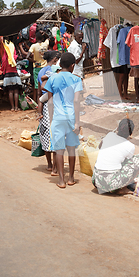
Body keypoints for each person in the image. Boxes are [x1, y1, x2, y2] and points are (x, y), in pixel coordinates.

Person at [44, 52, 83, 188]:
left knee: (59, 150)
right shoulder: (77, 80)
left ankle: (61, 180)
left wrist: (50, 120)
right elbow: (76, 101)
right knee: (71, 149)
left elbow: (50, 102)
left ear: (59, 65)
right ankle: (71, 177)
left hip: (57, 118)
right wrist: (77, 122)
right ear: (73, 66)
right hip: (71, 117)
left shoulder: (52, 79)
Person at [92, 119, 139, 194]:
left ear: (118, 128)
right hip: (111, 185)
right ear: (131, 133)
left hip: (96, 181)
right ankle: (123, 188)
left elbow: (100, 146)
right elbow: (127, 163)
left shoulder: (109, 135)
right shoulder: (130, 146)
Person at [37, 51, 60, 175]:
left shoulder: (41, 71)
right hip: (53, 107)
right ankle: (55, 168)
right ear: (55, 59)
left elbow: (40, 89)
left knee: (46, 137)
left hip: (45, 106)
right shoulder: (57, 71)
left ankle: (50, 165)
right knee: (55, 139)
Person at [0, 36, 21, 112]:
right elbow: (16, 58)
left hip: (7, 74)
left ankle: (12, 107)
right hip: (14, 73)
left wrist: (1, 70)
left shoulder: (4, 55)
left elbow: (3, 64)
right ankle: (16, 107)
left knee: (10, 91)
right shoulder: (13, 53)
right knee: (16, 91)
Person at [28, 31, 50, 102]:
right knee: (46, 85)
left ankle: (38, 104)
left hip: (37, 68)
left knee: (38, 88)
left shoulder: (33, 46)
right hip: (45, 67)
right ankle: (45, 102)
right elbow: (49, 37)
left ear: (36, 38)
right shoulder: (45, 44)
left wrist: (34, 61)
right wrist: (45, 34)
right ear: (42, 38)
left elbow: (27, 56)